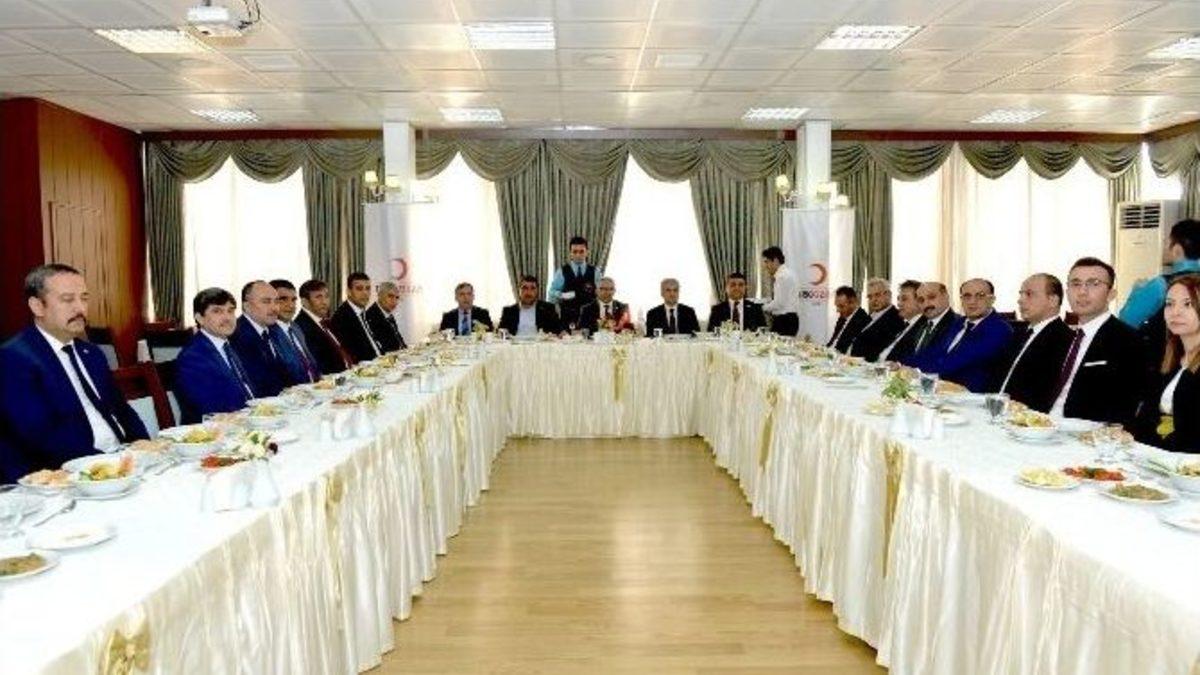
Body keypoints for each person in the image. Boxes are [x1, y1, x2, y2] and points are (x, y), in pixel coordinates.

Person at [0, 264, 149, 481]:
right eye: (68, 299)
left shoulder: (92, 353)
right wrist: (108, 466)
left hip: (120, 463)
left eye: (84, 298)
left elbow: (121, 409)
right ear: (37, 306)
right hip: (62, 476)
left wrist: (144, 448)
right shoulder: (14, 358)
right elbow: (40, 435)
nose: (80, 308)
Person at [1051, 257, 1144, 425]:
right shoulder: (1062, 337)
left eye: (1093, 284)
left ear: (1111, 294)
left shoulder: (1128, 341)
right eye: (1076, 284)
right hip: (1042, 424)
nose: (1082, 292)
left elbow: (1125, 406)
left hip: (1086, 432)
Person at [1135, 273, 1200, 452]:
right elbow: (1148, 414)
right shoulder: (1167, 358)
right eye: (1169, 304)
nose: (1175, 312)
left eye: (1187, 304)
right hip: (1157, 455)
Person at [174, 287, 259, 424]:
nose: (227, 318)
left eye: (230, 311)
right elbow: (212, 409)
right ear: (200, 318)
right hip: (211, 431)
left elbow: (246, 390)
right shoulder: (193, 357)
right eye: (217, 311)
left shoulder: (229, 346)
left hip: (243, 421)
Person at [910, 278, 1012, 392]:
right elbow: (934, 352)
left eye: (980, 296)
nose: (972, 301)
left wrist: (914, 371)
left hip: (971, 395)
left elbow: (957, 360)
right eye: (967, 296)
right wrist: (901, 365)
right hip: (942, 388)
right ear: (961, 300)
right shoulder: (959, 323)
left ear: (992, 300)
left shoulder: (999, 329)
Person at [993, 274, 1074, 412]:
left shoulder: (1065, 340)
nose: (1020, 300)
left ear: (1053, 300)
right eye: (1021, 294)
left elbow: (1046, 394)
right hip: (994, 409)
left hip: (1026, 418)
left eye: (1029, 294)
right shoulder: (1018, 333)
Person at [229, 280, 311, 397]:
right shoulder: (237, 335)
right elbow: (258, 385)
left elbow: (286, 373)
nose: (274, 308)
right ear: (246, 306)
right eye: (266, 301)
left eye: (276, 301)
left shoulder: (273, 331)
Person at [1119, 219, 1200, 330]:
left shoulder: (1160, 286)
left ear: (1177, 250)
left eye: (1167, 242)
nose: (1163, 247)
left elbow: (1125, 322)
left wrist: (1136, 291)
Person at [270, 279, 321, 382]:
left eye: (293, 300)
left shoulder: (296, 327)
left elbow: (311, 363)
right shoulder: (269, 333)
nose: (291, 305)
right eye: (283, 299)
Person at [294, 279, 348, 375]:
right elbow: (318, 366)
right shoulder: (302, 327)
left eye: (326, 296)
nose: (324, 302)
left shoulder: (325, 322)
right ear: (304, 302)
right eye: (318, 297)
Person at [330, 271, 384, 364]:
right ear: (349, 292)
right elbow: (352, 357)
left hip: (379, 363)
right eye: (359, 289)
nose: (365, 293)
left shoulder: (364, 313)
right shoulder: (341, 318)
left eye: (368, 288)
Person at [901, 282, 960, 365]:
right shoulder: (919, 324)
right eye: (921, 300)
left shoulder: (958, 324)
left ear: (946, 297)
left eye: (931, 297)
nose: (926, 304)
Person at [549, 235, 601, 329]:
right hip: (568, 317)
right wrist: (563, 295)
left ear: (587, 252)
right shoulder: (562, 271)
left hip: (590, 317)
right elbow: (551, 292)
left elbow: (600, 294)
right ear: (570, 253)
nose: (578, 255)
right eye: (575, 251)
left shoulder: (595, 272)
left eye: (581, 251)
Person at [849, 278, 906, 361]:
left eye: (877, 295)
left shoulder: (896, 319)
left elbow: (880, 351)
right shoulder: (870, 316)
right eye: (870, 297)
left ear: (888, 295)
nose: (873, 300)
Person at [878, 280, 925, 362]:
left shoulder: (924, 329)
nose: (899, 304)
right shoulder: (905, 325)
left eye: (904, 299)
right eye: (898, 299)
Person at [761, 246, 800, 336]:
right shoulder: (789, 273)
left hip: (784, 321)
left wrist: (762, 308)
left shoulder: (782, 277)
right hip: (789, 319)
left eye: (767, 262)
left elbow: (779, 303)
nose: (765, 266)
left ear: (775, 260)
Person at [364, 281, 408, 352]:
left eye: (397, 297)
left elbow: (399, 341)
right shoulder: (371, 316)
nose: (394, 301)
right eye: (390, 296)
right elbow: (382, 349)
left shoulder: (388, 315)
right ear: (380, 296)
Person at [826, 286, 870, 353]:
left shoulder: (863, 321)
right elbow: (833, 342)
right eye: (837, 306)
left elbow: (850, 351)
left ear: (853, 302)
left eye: (841, 306)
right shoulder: (842, 317)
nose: (838, 310)